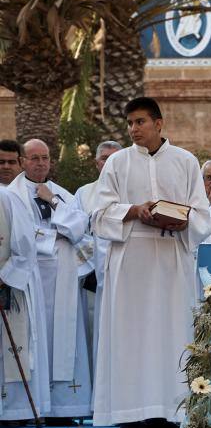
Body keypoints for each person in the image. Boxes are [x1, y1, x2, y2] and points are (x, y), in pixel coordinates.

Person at [92, 97, 211, 428]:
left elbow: (202, 215)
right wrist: (135, 210)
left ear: (159, 124)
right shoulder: (117, 163)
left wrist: (181, 221)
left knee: (171, 332)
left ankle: (167, 412)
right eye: (130, 123)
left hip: (172, 258)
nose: (134, 129)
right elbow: (99, 214)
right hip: (131, 260)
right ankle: (130, 413)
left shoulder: (186, 161)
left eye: (140, 122)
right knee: (130, 333)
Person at [6, 139, 93, 425]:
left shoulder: (60, 193)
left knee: (64, 337)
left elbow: (80, 227)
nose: (41, 163)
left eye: (45, 158)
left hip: (63, 277)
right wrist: (55, 237)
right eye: (34, 158)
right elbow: (18, 233)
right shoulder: (12, 195)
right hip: (29, 278)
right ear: (22, 162)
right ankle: (36, 405)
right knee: (34, 340)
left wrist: (52, 202)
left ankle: (63, 408)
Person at [0, 187, 50, 426]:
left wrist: (4, 276)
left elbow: (25, 247)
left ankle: (14, 411)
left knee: (11, 346)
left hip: (8, 286)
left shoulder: (7, 198)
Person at [74, 141, 123, 374]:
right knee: (95, 335)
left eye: (116, 157)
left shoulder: (136, 193)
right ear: (96, 163)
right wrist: (99, 260)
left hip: (128, 279)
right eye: (105, 158)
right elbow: (77, 233)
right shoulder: (83, 194)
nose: (110, 162)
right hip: (93, 279)